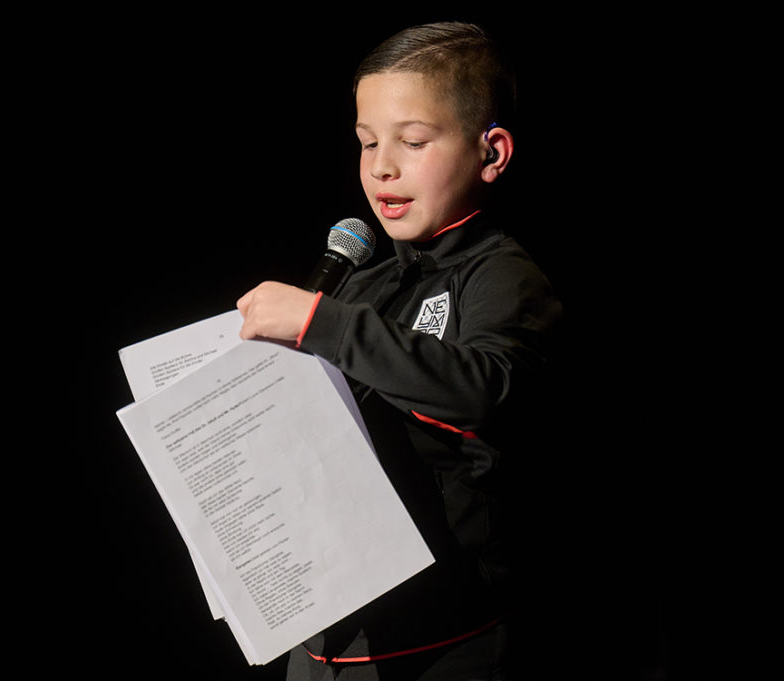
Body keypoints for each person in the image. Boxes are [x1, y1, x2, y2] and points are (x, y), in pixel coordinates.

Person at [237, 21, 562, 681]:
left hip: (449, 642)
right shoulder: (366, 281)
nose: (382, 165)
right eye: (367, 142)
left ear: (491, 152)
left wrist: (324, 325)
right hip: (327, 638)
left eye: (413, 141)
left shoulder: (500, 274)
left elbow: (485, 389)